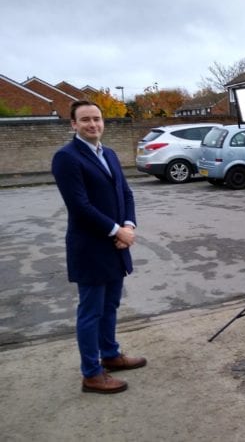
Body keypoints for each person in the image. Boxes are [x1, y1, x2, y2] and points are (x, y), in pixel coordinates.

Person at [52, 101, 146, 394]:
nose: (93, 124)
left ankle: (110, 355)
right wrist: (117, 230)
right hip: (91, 247)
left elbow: (126, 194)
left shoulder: (110, 154)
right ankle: (92, 374)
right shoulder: (66, 158)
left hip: (116, 244)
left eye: (97, 118)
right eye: (85, 120)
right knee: (91, 311)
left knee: (110, 305)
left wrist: (128, 226)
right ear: (73, 125)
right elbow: (79, 206)